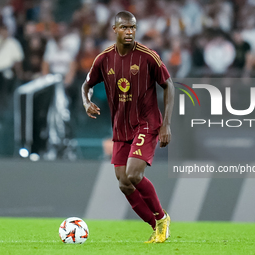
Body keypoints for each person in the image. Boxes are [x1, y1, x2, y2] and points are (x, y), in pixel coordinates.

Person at [81, 11, 174, 243]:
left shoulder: (147, 56)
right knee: (123, 182)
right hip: (121, 128)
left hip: (146, 122)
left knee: (133, 174)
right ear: (115, 30)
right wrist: (86, 102)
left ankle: (162, 218)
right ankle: (156, 226)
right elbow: (86, 85)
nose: (130, 31)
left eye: (133, 27)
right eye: (124, 27)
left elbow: (169, 85)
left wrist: (166, 124)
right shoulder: (104, 59)